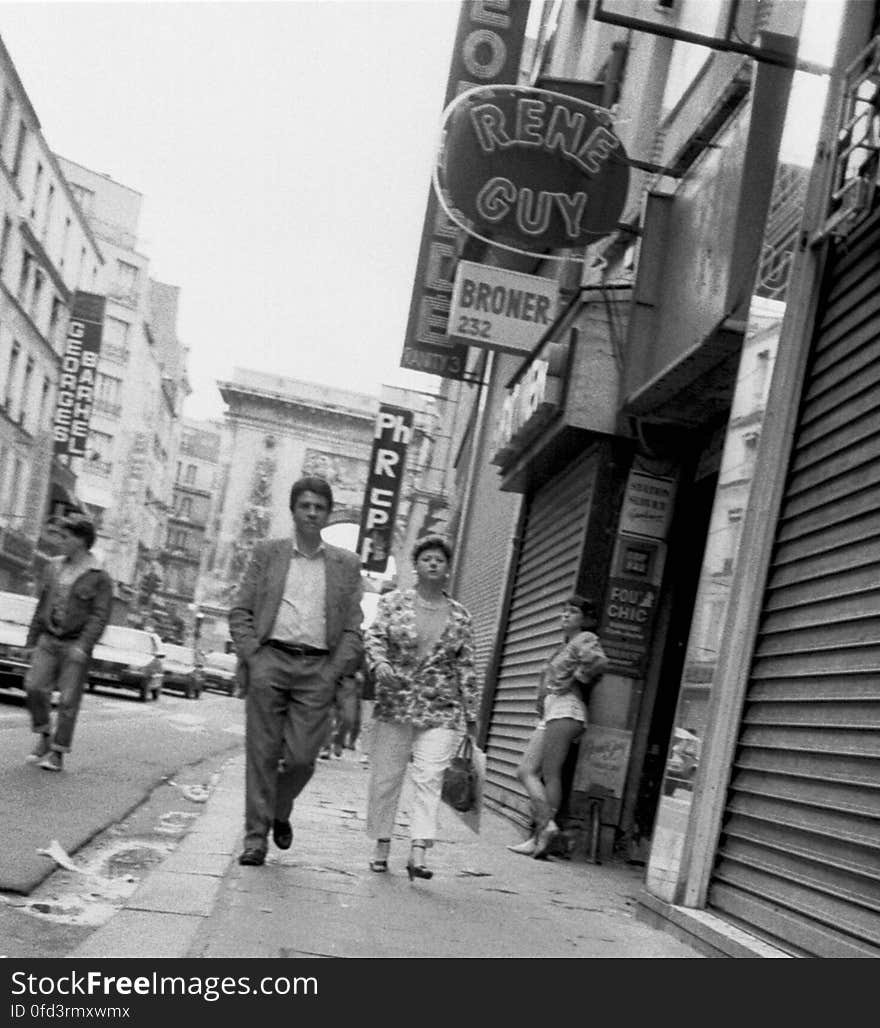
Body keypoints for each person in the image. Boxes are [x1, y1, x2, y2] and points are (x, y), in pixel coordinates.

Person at [228, 476, 364, 867]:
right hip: (270, 660)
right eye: (304, 505)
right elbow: (240, 609)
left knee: (303, 758)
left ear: (327, 514)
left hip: (317, 668)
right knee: (262, 754)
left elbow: (354, 625)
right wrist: (253, 655)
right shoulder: (268, 553)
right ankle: (255, 840)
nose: (311, 513)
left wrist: (334, 670)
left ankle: (280, 808)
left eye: (319, 507)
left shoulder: (346, 564)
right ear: (293, 510)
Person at [364, 535, 478, 881]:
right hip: (396, 702)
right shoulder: (392, 603)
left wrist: (471, 714)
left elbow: (467, 665)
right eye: (426, 558)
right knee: (387, 777)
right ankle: (382, 844)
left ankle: (418, 851)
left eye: (439, 560)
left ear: (447, 569)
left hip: (440, 707)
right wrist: (379, 664)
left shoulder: (460, 616)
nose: (432, 564)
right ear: (416, 565)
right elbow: (373, 636)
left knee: (430, 777)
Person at [508, 594, 607, 859]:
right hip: (552, 712)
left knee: (550, 774)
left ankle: (545, 831)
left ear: (585, 619)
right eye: (563, 611)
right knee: (526, 770)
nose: (565, 615)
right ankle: (542, 831)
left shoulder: (584, 638)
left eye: (572, 612)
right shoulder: (564, 646)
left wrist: (577, 678)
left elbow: (598, 661)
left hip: (566, 710)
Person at [24, 513, 113, 772]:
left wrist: (83, 646)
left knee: (68, 700)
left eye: (65, 537)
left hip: (75, 644)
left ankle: (58, 753)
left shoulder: (99, 577)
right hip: (49, 639)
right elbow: (42, 605)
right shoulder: (53, 566)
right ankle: (44, 736)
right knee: (33, 686)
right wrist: (31, 641)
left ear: (81, 541)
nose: (60, 541)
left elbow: (100, 616)